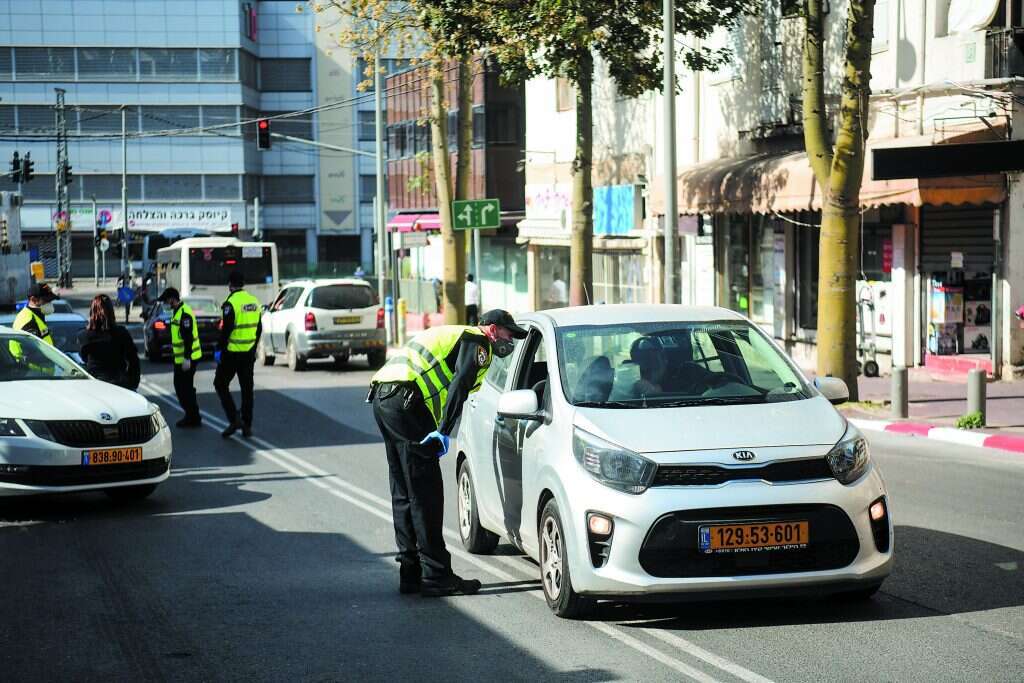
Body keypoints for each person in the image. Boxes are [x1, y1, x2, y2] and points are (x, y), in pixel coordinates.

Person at [368, 309, 527, 597]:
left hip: (384, 398)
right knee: (426, 493)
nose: (511, 341)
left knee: (404, 491)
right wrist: (443, 430)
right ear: (492, 329)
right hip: (407, 403)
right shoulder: (478, 342)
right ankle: (437, 575)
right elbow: (460, 384)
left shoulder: (455, 336)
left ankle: (411, 572)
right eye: (509, 334)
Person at [214, 271, 262, 438]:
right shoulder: (254, 302)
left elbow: (226, 330)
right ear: (243, 283)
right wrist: (254, 347)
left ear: (230, 285)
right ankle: (247, 426)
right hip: (248, 354)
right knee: (247, 390)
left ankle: (234, 419)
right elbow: (259, 328)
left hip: (232, 353)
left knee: (220, 384)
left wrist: (219, 349)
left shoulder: (231, 304)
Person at [158, 287, 202, 428]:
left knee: (184, 388)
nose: (165, 303)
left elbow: (188, 338)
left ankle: (193, 416)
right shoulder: (177, 312)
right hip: (181, 359)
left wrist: (187, 358)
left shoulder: (184, 313)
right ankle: (192, 415)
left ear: (172, 299)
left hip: (188, 358)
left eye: (166, 300)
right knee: (183, 387)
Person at [77, 294, 140, 390]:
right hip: (119, 385)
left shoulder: (84, 336)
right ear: (111, 312)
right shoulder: (121, 333)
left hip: (95, 386)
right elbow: (134, 360)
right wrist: (132, 383)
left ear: (92, 313)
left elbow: (83, 358)